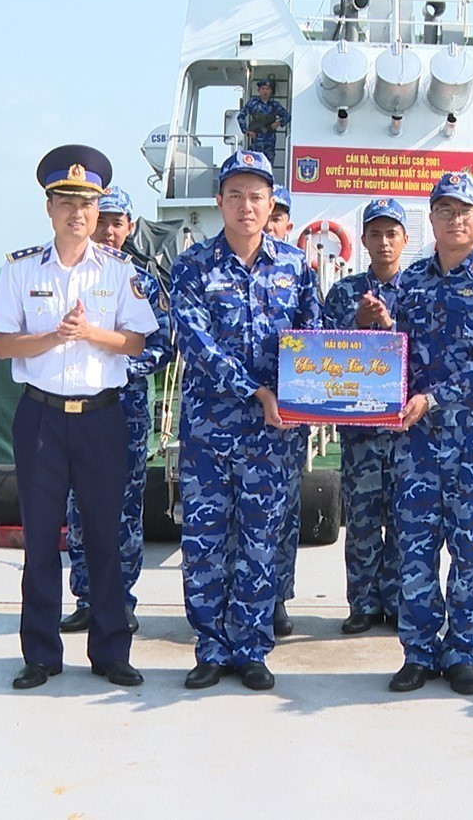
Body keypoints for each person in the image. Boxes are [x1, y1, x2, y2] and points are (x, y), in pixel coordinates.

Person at [0, 145, 158, 690]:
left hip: (101, 419)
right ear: (49, 208)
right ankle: (40, 654)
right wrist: (53, 336)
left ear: (98, 209)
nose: (76, 214)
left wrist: (88, 333)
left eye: (86, 204)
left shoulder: (119, 271)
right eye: (66, 203)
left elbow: (135, 341)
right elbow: (3, 345)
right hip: (41, 418)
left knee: (105, 537)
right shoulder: (20, 270)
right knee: (40, 540)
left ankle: (111, 652)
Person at [170, 149, 320, 691]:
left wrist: (302, 397)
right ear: (219, 201)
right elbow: (196, 343)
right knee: (204, 540)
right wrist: (256, 390)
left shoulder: (297, 268)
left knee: (261, 540)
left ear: (271, 202)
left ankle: (252, 647)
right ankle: (211, 648)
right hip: (210, 430)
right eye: (235, 195)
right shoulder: (192, 267)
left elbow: (313, 339)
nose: (246, 206)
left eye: (256, 196)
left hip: (273, 433)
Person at [385, 172, 473, 696]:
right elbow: (392, 356)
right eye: (445, 210)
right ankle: (417, 652)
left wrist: (433, 398)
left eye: (465, 211)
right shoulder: (409, 283)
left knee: (469, 553)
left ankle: (462, 652)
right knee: (414, 552)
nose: (455, 219)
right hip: (415, 442)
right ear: (432, 219)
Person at [60, 186, 172, 637]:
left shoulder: (140, 281)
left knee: (124, 507)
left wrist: (120, 366)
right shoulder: (67, 273)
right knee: (78, 506)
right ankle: (87, 599)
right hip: (75, 408)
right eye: (102, 220)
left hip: (124, 408)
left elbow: (163, 345)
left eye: (117, 222)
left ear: (130, 227)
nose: (108, 230)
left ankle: (120, 600)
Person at [320, 197, 408, 634]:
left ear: (405, 239)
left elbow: (428, 350)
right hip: (360, 430)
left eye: (392, 234)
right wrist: (356, 321)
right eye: (376, 234)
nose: (384, 242)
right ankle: (363, 604)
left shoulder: (420, 289)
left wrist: (390, 327)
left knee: (407, 521)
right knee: (362, 519)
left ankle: (399, 602)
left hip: (407, 428)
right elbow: (320, 351)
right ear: (364, 240)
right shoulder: (343, 292)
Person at [267, 181, 303, 636]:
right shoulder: (202, 266)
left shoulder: (298, 271)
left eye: (277, 216)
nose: (268, 222)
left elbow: (316, 336)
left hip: (287, 420)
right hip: (225, 419)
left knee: (282, 514)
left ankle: (275, 598)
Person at [237, 79, 289, 164]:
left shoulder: (274, 105)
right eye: (263, 88)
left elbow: (287, 116)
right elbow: (241, 116)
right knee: (255, 164)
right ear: (259, 90)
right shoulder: (253, 103)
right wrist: (247, 131)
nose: (265, 91)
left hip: (269, 141)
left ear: (271, 91)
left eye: (267, 89)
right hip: (256, 140)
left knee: (268, 165)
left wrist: (279, 123)